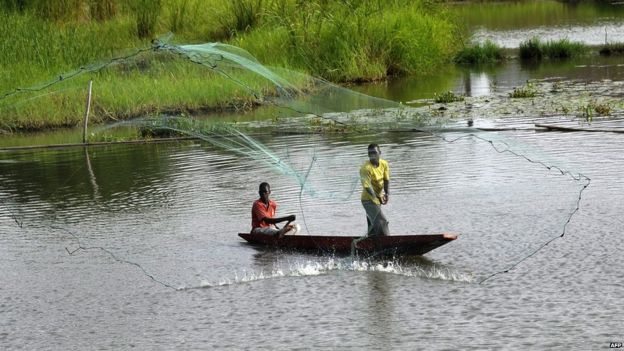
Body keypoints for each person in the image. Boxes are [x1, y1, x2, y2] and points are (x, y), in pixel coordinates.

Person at [360, 143, 390, 236]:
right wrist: (377, 197)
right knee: (382, 222)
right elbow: (367, 186)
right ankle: (389, 243)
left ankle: (372, 245)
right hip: (368, 200)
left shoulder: (384, 164)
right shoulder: (365, 168)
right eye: (370, 153)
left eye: (374, 152)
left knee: (373, 227)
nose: (372, 155)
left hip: (377, 199)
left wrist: (387, 194)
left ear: (379, 153)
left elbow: (386, 179)